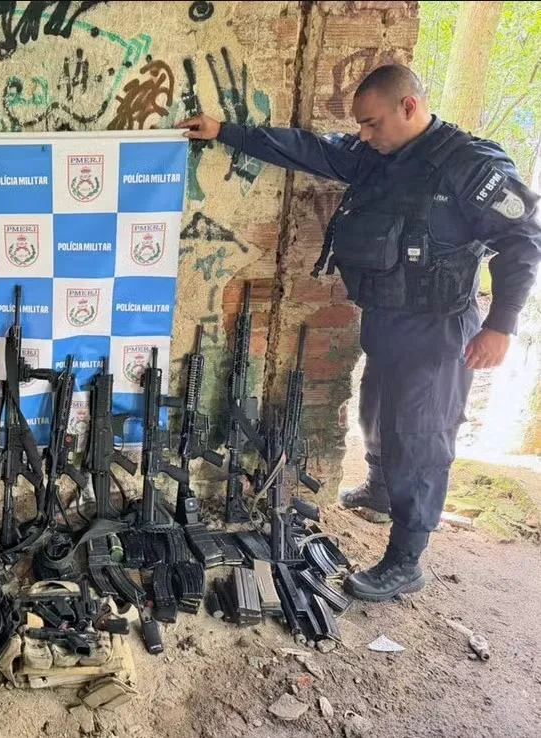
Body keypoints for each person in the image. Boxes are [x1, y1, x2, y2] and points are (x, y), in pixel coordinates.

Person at [177, 64, 541, 602]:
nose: (364, 136)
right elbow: (307, 149)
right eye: (361, 127)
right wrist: (224, 131)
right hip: (387, 319)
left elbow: (524, 239)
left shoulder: (470, 166)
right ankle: (379, 490)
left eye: (372, 123)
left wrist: (500, 325)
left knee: (421, 438)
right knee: (376, 414)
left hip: (439, 330)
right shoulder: (378, 154)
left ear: (408, 107)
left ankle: (406, 559)